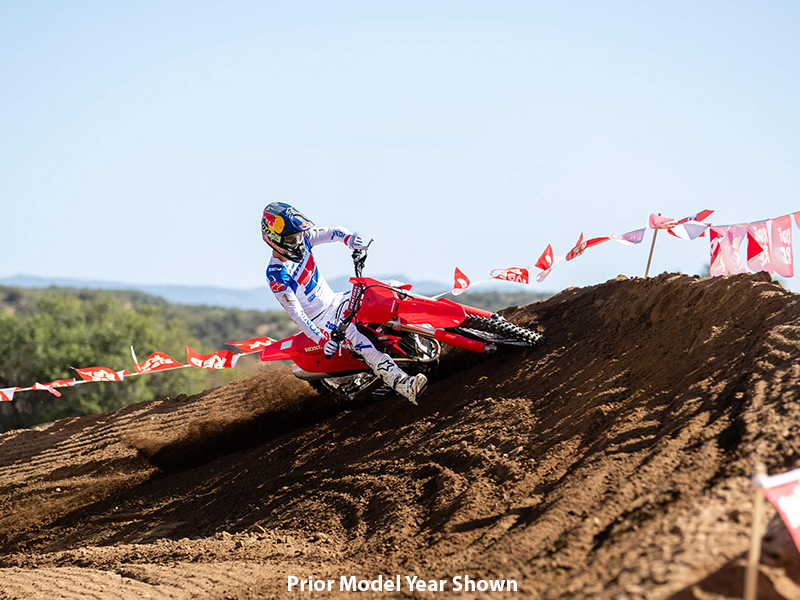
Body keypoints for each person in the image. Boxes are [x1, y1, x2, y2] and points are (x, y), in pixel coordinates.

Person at [261, 202, 428, 404]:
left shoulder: (304, 238)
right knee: (358, 338)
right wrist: (321, 340)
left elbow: (334, 232)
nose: (297, 241)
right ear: (274, 239)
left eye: (297, 235)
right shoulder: (276, 274)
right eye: (291, 238)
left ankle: (427, 333)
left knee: (391, 288)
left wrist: (349, 239)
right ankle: (405, 385)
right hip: (321, 319)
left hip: (337, 300)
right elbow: (297, 315)